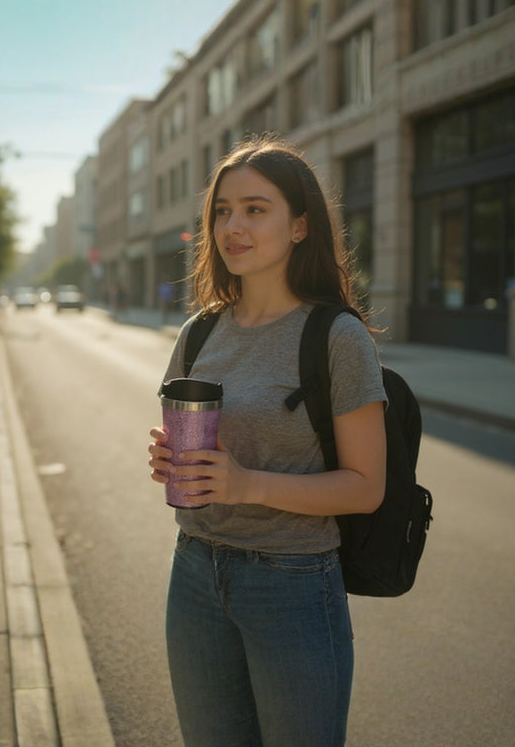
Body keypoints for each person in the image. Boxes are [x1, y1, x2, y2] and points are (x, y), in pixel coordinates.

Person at [148, 136, 388, 747]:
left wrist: (246, 483)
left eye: (255, 209)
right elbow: (195, 447)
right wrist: (169, 459)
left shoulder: (336, 336)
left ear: (300, 225)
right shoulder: (199, 332)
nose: (234, 227)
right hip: (194, 569)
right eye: (223, 211)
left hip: (292, 582)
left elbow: (365, 488)